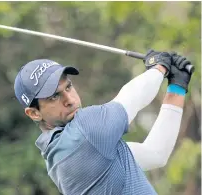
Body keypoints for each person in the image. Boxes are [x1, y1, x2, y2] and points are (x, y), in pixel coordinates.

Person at [14, 50, 193, 195]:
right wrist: (159, 66)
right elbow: (134, 96)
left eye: (68, 87)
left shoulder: (69, 152)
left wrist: (177, 87)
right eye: (54, 96)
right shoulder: (83, 135)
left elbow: (155, 154)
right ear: (34, 113)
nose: (70, 99)